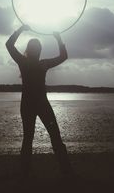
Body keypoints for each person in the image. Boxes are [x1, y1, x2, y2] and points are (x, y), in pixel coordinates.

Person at [6, 25, 72, 177]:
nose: (37, 50)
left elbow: (9, 45)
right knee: (53, 136)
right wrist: (58, 38)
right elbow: (64, 56)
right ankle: (65, 172)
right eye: (37, 48)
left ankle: (26, 173)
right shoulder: (39, 63)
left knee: (30, 138)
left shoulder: (26, 62)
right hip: (40, 104)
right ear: (36, 50)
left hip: (31, 105)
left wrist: (21, 30)